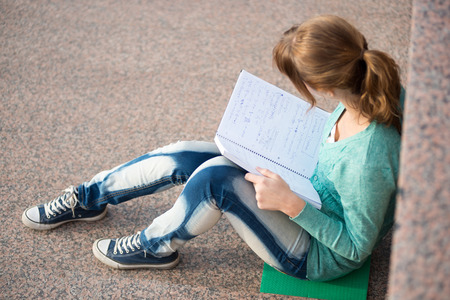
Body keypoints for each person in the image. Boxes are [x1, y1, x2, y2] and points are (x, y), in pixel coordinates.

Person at [21, 15, 403, 281]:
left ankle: (155, 246)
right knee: (191, 153)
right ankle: (89, 197)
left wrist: (291, 204)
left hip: (316, 253)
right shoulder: (366, 85)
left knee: (215, 179)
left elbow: (355, 248)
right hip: (309, 181)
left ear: (325, 86)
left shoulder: (369, 158)